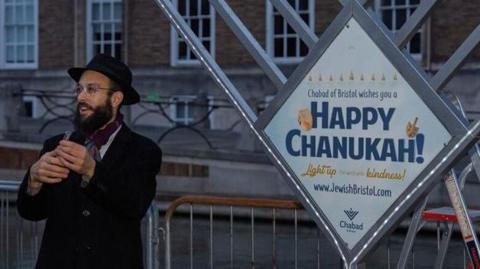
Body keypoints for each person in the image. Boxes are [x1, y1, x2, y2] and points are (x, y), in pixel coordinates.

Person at [17, 54, 162, 269]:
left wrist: (91, 170)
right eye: (79, 89)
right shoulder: (56, 145)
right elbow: (32, 212)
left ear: (115, 99)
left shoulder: (143, 150)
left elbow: (134, 205)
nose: (81, 98)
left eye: (91, 90)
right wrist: (33, 181)